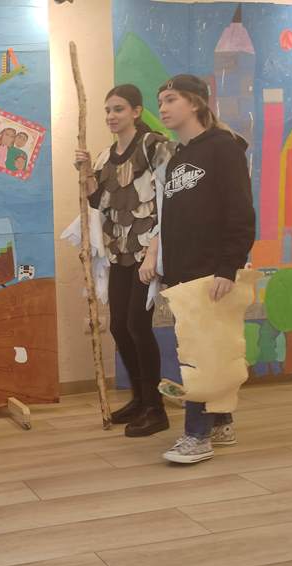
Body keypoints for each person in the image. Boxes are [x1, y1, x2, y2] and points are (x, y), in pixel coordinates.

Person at [155, 74, 256, 464]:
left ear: (195, 103)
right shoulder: (178, 157)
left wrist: (227, 267)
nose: (163, 107)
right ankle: (221, 423)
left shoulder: (223, 148)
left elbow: (241, 212)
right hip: (184, 274)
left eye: (171, 99)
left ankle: (197, 436)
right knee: (206, 349)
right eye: (161, 101)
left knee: (199, 356)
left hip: (212, 272)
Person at [74, 84, 175, 437]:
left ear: (136, 111)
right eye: (107, 110)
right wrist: (86, 172)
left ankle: (155, 408)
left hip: (148, 250)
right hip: (120, 251)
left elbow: (169, 199)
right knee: (119, 326)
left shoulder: (154, 147)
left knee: (137, 325)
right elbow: (99, 202)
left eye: (118, 109)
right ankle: (140, 398)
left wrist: (156, 250)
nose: (111, 116)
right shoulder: (105, 157)